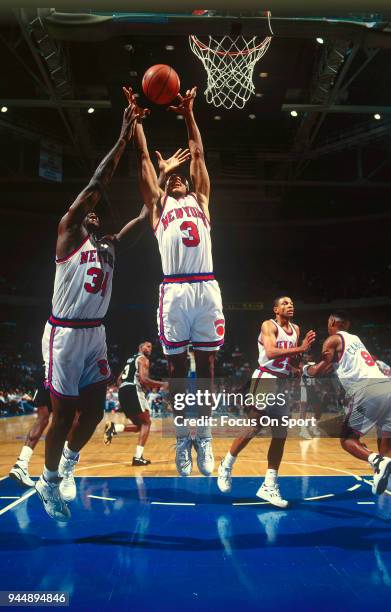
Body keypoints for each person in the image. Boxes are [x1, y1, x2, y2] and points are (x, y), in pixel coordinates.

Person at [35, 104, 151, 522]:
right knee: (63, 415)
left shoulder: (111, 245)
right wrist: (123, 137)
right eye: (90, 209)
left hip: (94, 333)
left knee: (96, 412)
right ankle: (47, 481)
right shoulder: (68, 234)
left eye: (97, 212)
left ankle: (67, 465)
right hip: (64, 333)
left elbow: (146, 211)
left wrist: (150, 162)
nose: (94, 212)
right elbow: (97, 183)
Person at [124, 86, 225, 477]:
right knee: (179, 371)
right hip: (175, 290)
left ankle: (205, 435)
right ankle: (184, 434)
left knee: (210, 367)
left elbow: (198, 153)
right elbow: (143, 160)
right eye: (172, 179)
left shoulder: (201, 200)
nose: (178, 179)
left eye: (182, 178)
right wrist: (135, 123)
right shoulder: (158, 207)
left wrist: (188, 113)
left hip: (206, 287)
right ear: (165, 188)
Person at [302, 310, 391, 523]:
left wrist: (306, 369)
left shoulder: (332, 339)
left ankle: (376, 461)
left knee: (348, 440)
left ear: (332, 322)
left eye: (328, 322)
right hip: (388, 390)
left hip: (367, 389)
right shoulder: (357, 340)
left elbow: (320, 369)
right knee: (389, 450)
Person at [217, 296, 316, 507]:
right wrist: (300, 349)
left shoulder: (296, 329)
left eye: (292, 303)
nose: (290, 305)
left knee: (280, 434)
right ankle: (226, 465)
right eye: (285, 303)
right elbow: (270, 352)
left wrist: (298, 368)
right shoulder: (268, 325)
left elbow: (292, 360)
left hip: (281, 382)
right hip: (265, 377)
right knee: (254, 427)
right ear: (275, 309)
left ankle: (269, 485)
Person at [103, 341, 167, 465]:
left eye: (151, 347)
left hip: (123, 391)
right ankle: (137, 457)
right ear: (140, 347)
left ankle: (114, 427)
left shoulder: (129, 360)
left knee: (140, 425)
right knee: (146, 423)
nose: (149, 349)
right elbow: (144, 380)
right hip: (133, 390)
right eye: (147, 346)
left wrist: (124, 390)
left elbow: (118, 380)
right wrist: (162, 384)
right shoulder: (143, 359)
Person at [9, 368, 52, 487]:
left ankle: (21, 463)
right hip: (61, 373)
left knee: (42, 420)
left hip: (45, 376)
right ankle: (58, 470)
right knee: (69, 418)